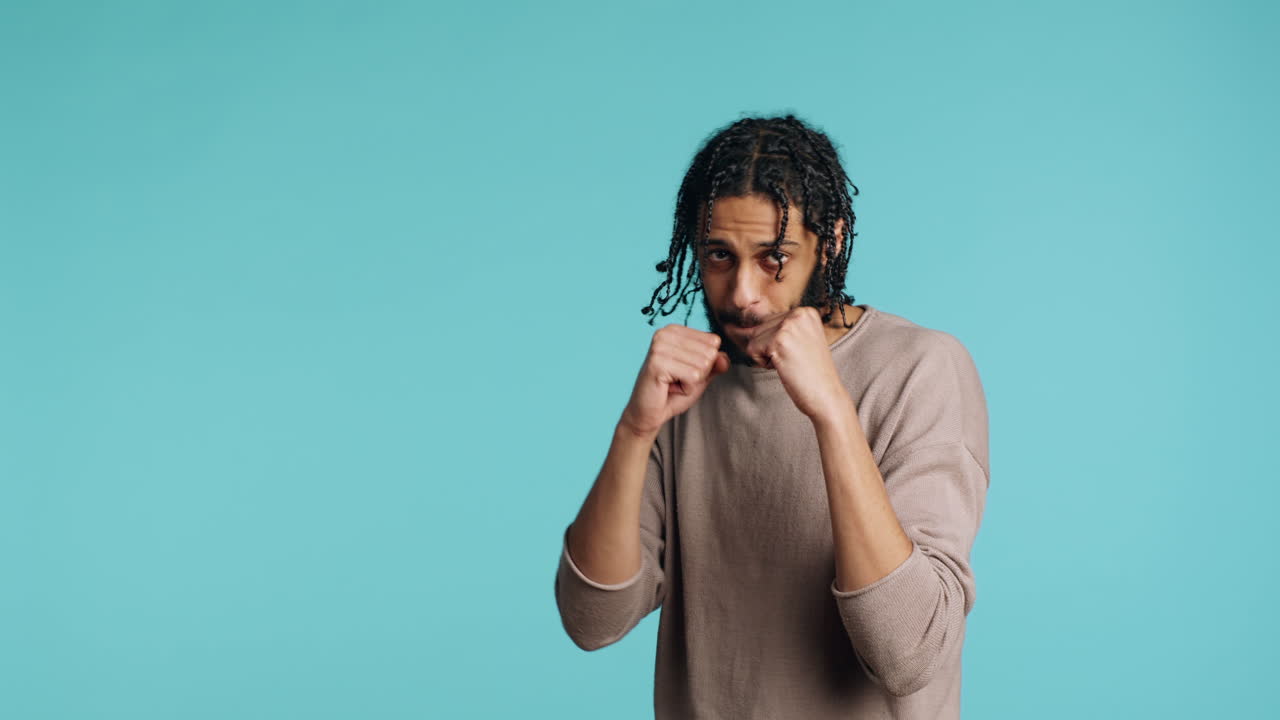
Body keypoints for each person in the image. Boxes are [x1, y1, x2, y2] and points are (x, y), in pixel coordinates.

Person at [553, 114, 990, 720]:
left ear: (829, 241)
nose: (742, 294)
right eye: (719, 256)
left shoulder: (919, 369)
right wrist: (635, 429)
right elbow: (591, 621)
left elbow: (908, 653)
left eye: (774, 258)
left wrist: (831, 411)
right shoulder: (687, 388)